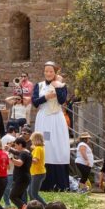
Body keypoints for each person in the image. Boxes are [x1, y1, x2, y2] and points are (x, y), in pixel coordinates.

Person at [31, 62, 70, 191]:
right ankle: (43, 181)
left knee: (58, 146)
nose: (48, 73)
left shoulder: (61, 85)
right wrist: (46, 97)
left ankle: (60, 183)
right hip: (43, 117)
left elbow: (61, 100)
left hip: (56, 117)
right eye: (46, 71)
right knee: (44, 144)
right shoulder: (39, 86)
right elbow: (35, 102)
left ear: (55, 73)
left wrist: (57, 86)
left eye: (51, 71)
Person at [8, 137, 31, 209]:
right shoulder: (26, 152)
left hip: (21, 178)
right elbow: (16, 152)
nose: (15, 147)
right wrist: (10, 149)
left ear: (20, 145)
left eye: (16, 145)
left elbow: (20, 163)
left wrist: (11, 159)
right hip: (23, 178)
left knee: (13, 196)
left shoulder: (23, 153)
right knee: (18, 197)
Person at [28, 132, 47, 205]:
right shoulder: (40, 148)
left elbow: (35, 160)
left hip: (37, 173)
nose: (31, 141)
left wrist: (28, 158)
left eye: (32, 140)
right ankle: (33, 207)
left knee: (34, 193)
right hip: (37, 173)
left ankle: (47, 207)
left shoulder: (38, 149)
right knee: (30, 192)